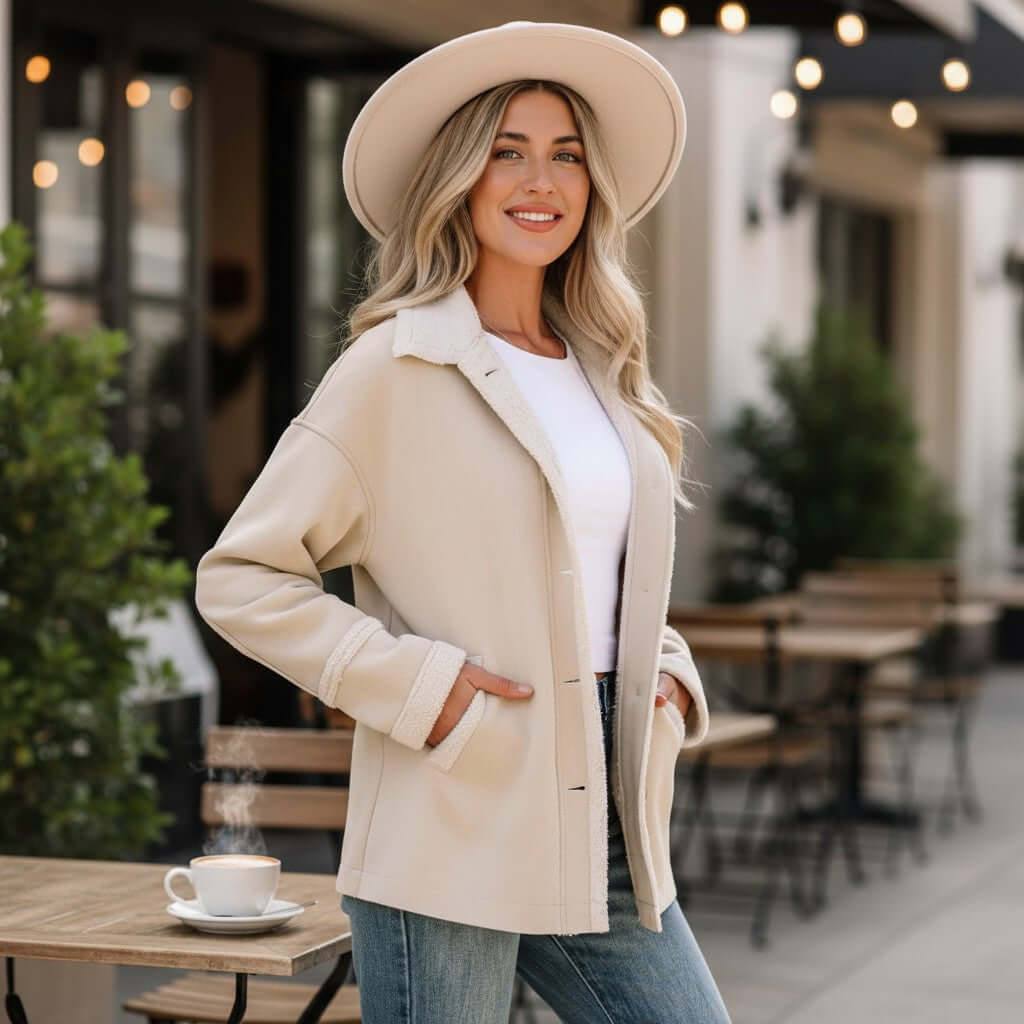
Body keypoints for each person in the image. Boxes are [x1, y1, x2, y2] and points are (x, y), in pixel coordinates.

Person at [195, 19, 730, 1023]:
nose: (542, 179)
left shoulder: (605, 373)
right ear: (461, 179)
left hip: (603, 827)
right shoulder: (397, 367)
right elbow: (239, 577)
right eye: (508, 151)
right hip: (453, 817)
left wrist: (662, 670)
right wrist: (421, 690)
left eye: (566, 154)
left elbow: (594, 575)